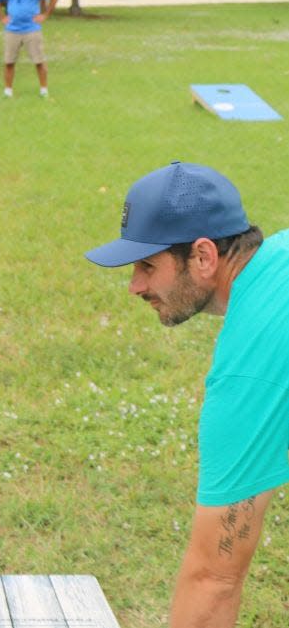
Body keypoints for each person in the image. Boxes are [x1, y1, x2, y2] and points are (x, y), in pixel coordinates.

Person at [85, 161, 287, 628]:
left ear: (203, 257)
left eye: (147, 266)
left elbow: (214, 581)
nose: (135, 286)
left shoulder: (249, 373)